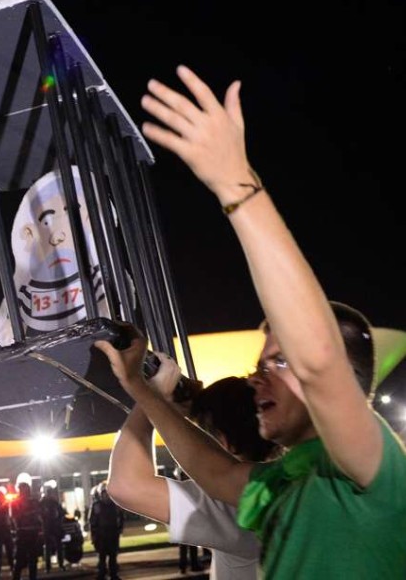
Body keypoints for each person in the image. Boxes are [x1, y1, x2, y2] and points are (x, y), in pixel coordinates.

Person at [93, 65, 406, 576]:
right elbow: (217, 473)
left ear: (347, 384)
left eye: (280, 361)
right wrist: (141, 390)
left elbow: (318, 360)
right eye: (263, 363)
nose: (258, 376)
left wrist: (235, 184)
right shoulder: (285, 480)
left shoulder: (370, 462)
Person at [108, 368, 275, 580]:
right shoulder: (279, 486)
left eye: (198, 434)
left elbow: (126, 486)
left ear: (223, 442)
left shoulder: (234, 508)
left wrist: (151, 397)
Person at [0, 167, 108, 346]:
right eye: (46, 222)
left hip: (92, 347)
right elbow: (9, 329)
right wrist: (13, 327)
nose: (57, 236)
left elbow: (110, 307)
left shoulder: (95, 275)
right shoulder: (31, 287)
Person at [87, 482, 122, 580]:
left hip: (113, 535)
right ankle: (101, 575)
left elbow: (120, 518)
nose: (106, 495)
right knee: (102, 557)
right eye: (104, 493)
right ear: (100, 494)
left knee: (113, 557)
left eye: (108, 493)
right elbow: (92, 522)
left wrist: (119, 530)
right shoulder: (96, 506)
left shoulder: (115, 505)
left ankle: (113, 575)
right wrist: (94, 536)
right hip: (101, 536)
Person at [9, 481, 41, 580]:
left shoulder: (34, 502)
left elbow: (39, 515)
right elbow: (14, 518)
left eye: (27, 490)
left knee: (33, 560)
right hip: (22, 533)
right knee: (19, 560)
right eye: (23, 490)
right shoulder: (15, 503)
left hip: (33, 533)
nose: (25, 493)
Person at [38, 485, 65, 572]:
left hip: (53, 526)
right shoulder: (44, 502)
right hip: (48, 527)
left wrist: (59, 522)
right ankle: (49, 567)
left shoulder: (53, 502)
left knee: (56, 546)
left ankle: (58, 565)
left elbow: (61, 513)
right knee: (49, 547)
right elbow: (39, 514)